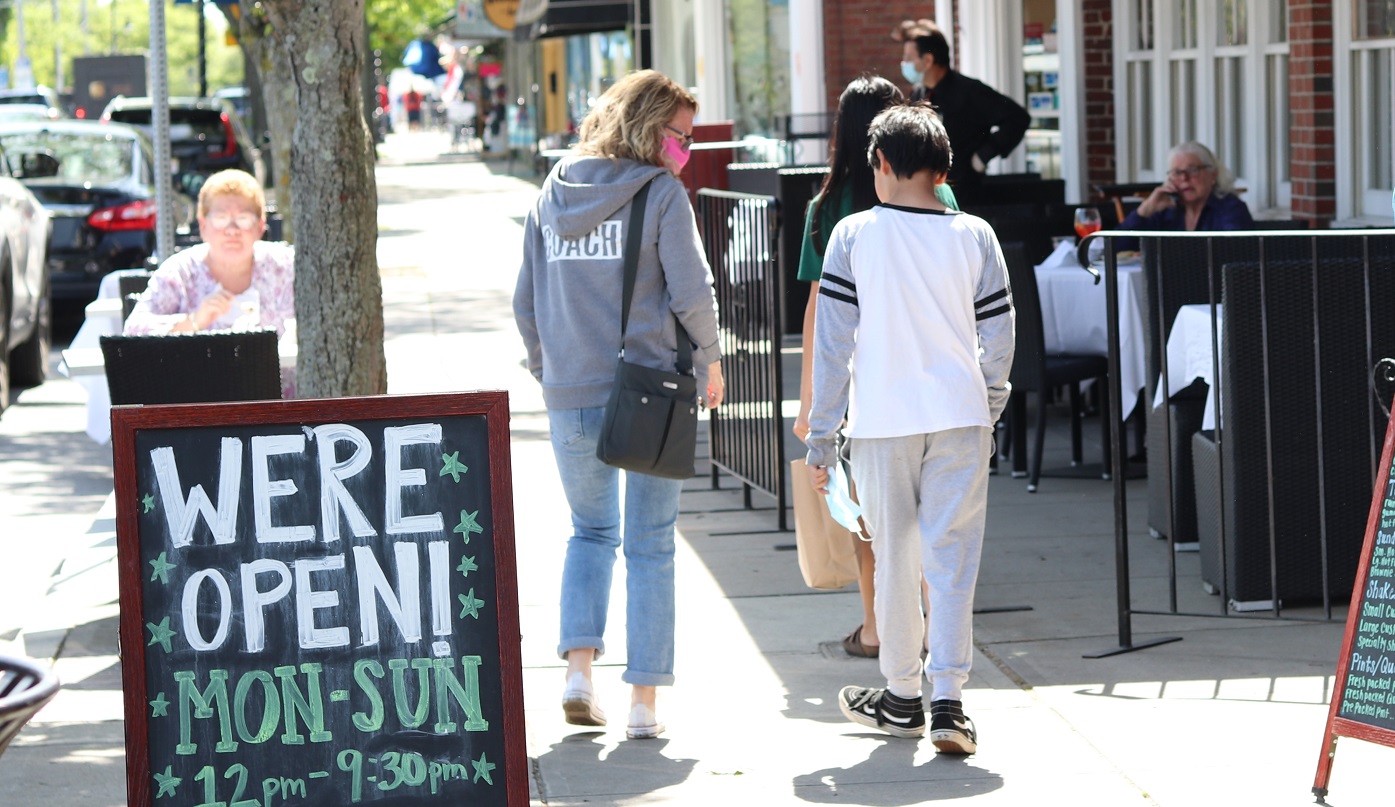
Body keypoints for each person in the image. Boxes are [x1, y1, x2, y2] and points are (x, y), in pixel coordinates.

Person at [513, 69, 724, 741]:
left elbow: (525, 300)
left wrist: (549, 370)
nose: (686, 150)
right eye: (681, 136)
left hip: (570, 392)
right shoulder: (660, 193)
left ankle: (578, 674)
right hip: (650, 391)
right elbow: (691, 291)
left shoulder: (553, 190)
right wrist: (712, 358)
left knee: (589, 532)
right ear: (649, 128)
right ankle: (642, 706)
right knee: (651, 544)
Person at [805, 102, 1013, 753]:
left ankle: (900, 694)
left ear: (881, 162)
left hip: (882, 421)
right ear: (943, 169)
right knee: (952, 561)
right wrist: (990, 403)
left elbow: (833, 344)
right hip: (960, 416)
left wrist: (820, 436)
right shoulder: (975, 234)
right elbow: (999, 333)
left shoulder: (853, 235)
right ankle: (948, 700)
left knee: (894, 558)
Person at [793, 75, 959, 660]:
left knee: (871, 519)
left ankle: (875, 627)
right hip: (934, 374)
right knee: (936, 522)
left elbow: (819, 307)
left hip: (866, 383)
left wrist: (813, 400)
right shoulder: (942, 199)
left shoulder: (826, 207)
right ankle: (934, 631)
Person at [124, 169, 294, 396]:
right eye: (221, 218)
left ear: (260, 226)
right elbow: (133, 332)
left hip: (281, 402)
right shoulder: (181, 271)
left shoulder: (287, 266)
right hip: (199, 400)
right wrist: (194, 321)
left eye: (243, 219)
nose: (232, 230)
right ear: (203, 225)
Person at [895, 19, 1030, 188]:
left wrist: (982, 156)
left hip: (964, 190)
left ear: (928, 60)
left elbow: (1017, 118)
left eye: (909, 58)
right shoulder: (919, 94)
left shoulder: (969, 90)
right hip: (929, 190)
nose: (904, 63)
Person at [1119, 141, 1255, 234]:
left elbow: (1234, 251)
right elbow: (1115, 248)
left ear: (1213, 175)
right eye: (1177, 172)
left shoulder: (1231, 207)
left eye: (1193, 170)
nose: (1184, 178)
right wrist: (1144, 211)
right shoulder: (1165, 209)